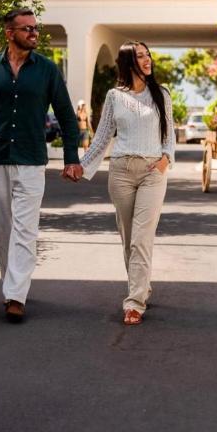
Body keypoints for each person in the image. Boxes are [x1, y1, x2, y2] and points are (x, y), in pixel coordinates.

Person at [0, 7, 82, 323]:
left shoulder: (47, 71)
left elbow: (66, 115)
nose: (34, 33)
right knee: (5, 229)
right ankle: (11, 287)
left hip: (30, 160)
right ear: (10, 33)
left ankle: (16, 297)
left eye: (35, 28)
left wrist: (71, 158)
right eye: (27, 29)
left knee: (26, 228)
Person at [77, 41, 176, 326]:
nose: (147, 60)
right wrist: (81, 167)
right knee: (129, 238)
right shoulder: (114, 97)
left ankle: (134, 301)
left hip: (151, 172)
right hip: (120, 171)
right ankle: (140, 285)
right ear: (127, 62)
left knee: (142, 238)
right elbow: (103, 136)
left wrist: (164, 161)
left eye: (148, 55)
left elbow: (168, 134)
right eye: (140, 56)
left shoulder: (162, 94)